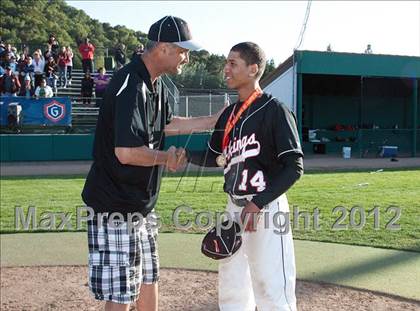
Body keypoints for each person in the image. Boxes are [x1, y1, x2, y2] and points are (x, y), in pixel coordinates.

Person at [81, 15, 224, 311]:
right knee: (122, 292)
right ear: (162, 47)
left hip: (139, 204)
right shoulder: (131, 83)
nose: (186, 57)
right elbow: (126, 152)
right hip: (115, 205)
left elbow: (167, 124)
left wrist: (214, 120)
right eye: (183, 50)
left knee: (148, 277)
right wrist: (166, 157)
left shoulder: (155, 83)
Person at [188, 42, 304, 311]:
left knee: (272, 289)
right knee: (232, 289)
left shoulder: (275, 110)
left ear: (253, 70)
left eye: (233, 63)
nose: (225, 69)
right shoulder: (229, 115)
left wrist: (258, 203)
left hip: (265, 207)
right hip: (235, 207)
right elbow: (214, 156)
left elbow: (294, 166)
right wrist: (184, 156)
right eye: (226, 63)